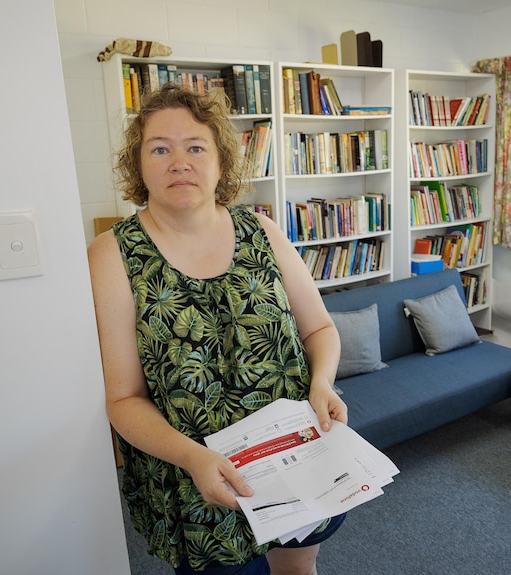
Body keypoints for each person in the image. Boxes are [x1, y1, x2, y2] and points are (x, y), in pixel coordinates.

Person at [87, 83, 348, 575]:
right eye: (159, 148)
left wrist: (322, 383)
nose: (178, 161)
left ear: (222, 162)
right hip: (196, 477)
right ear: (138, 165)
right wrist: (192, 458)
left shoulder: (262, 231)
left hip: (292, 454)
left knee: (299, 565)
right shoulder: (111, 254)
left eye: (195, 147)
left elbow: (321, 330)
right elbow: (122, 400)